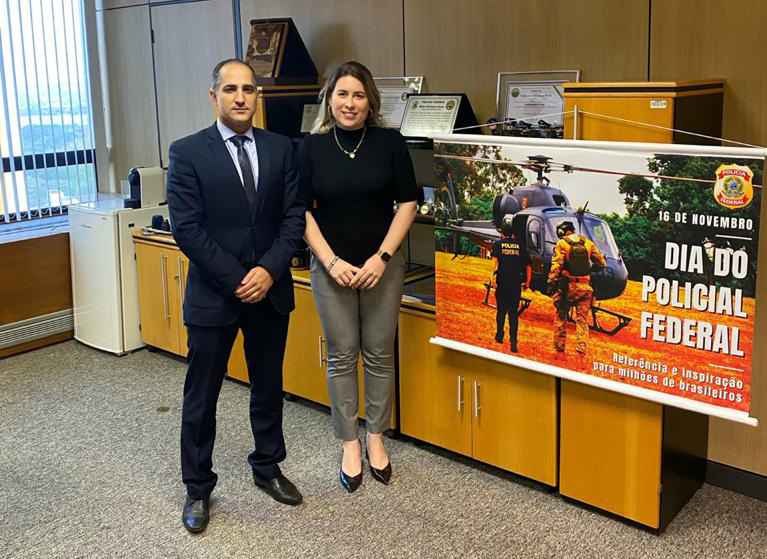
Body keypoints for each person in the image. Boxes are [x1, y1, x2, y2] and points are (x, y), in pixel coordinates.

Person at [166, 58, 306, 534]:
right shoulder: (187, 152)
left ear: (257, 96)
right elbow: (187, 229)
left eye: (248, 89)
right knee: (202, 395)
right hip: (214, 293)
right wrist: (238, 278)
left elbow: (294, 218)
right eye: (231, 89)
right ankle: (198, 487)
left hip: (270, 290)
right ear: (214, 97)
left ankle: (267, 466)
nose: (241, 97)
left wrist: (267, 270)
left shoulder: (282, 148)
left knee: (268, 386)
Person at [298, 61, 418, 493]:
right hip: (331, 268)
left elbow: (408, 203)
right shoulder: (311, 147)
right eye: (343, 94)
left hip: (381, 268)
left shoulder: (389, 142)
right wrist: (331, 262)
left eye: (359, 95)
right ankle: (350, 442)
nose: (350, 103)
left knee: (380, 353)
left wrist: (381, 258)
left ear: (371, 102)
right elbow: (301, 212)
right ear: (330, 98)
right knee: (342, 354)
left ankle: (375, 437)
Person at [547, 220, 605, 363]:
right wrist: (589, 272)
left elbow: (557, 266)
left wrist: (551, 283)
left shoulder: (562, 244)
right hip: (585, 287)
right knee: (582, 322)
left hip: (568, 287)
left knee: (561, 317)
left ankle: (560, 352)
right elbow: (601, 263)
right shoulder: (588, 243)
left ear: (562, 231)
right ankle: (581, 354)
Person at [490, 216, 531, 353]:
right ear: (513, 235)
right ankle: (513, 342)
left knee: (501, 311)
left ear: (502, 234)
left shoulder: (497, 245)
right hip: (515, 286)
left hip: (502, 283)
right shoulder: (521, 247)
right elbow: (528, 266)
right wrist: (527, 282)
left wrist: (492, 279)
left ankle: (499, 335)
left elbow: (495, 263)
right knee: (513, 314)